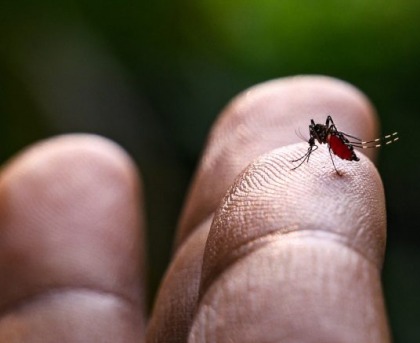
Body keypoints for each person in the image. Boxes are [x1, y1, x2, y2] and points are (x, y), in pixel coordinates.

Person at [0, 76, 390, 342]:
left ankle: (357, 148)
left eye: (316, 135)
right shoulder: (317, 136)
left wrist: (335, 149)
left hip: (341, 156)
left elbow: (323, 135)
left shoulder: (326, 136)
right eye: (317, 136)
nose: (313, 136)